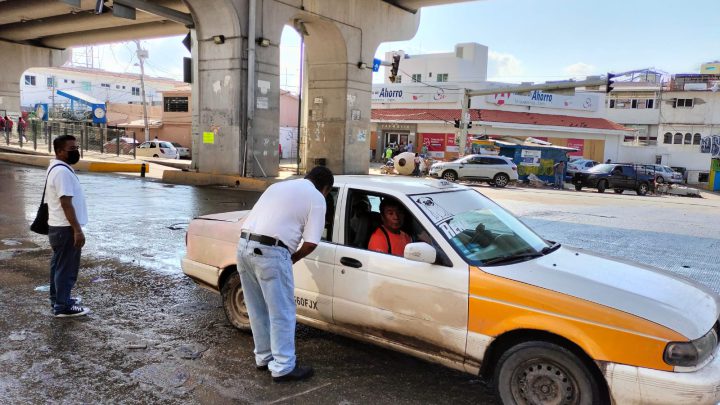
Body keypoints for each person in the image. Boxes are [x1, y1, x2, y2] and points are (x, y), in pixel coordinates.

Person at [236, 166, 334, 382]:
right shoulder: (317, 197)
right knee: (282, 312)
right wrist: (294, 257)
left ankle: (264, 357)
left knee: (257, 308)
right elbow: (311, 242)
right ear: (326, 188)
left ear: (308, 177)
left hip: (244, 246)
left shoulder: (278, 186)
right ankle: (283, 367)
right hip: (272, 251)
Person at [46, 135, 90, 317]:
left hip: (58, 227)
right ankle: (62, 307)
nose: (75, 151)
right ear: (59, 151)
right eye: (71, 149)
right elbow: (66, 203)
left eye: (76, 147)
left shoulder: (57, 168)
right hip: (65, 229)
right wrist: (77, 230)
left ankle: (58, 299)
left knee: (58, 266)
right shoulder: (62, 172)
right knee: (66, 268)